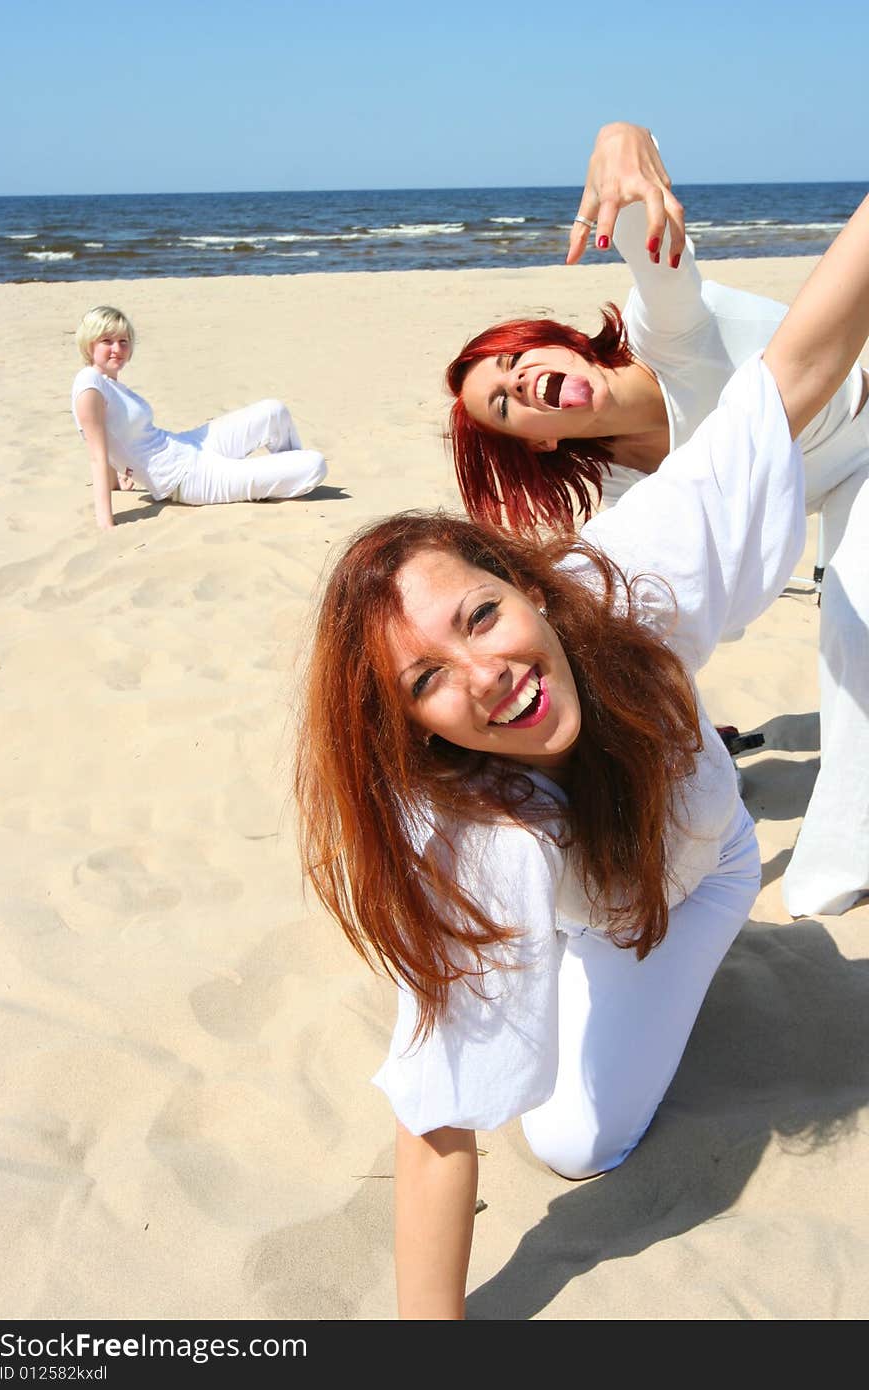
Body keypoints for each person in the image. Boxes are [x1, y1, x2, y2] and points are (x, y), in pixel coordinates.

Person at [296, 189, 869, 1319]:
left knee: (571, 1140)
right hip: (577, 899)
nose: (483, 676)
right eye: (424, 683)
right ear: (410, 729)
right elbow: (436, 1128)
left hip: (699, 876)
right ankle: (554, 950)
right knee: (546, 1111)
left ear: (528, 585)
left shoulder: (627, 584)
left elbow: (799, 367)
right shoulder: (468, 830)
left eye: (478, 618)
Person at [446, 123, 869, 921]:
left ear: (558, 347)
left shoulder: (666, 330)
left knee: (854, 624)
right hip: (817, 495)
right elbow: (652, 606)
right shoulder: (620, 485)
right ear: (533, 438)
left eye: (516, 360)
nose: (525, 383)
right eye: (503, 404)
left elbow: (653, 248)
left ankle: (846, 859)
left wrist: (619, 139)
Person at [72, 306, 327, 530]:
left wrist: (118, 479)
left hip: (188, 446)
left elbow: (110, 434)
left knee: (275, 411)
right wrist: (105, 522)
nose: (117, 349)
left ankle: (283, 476)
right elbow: (96, 452)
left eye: (123, 341)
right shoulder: (89, 383)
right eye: (107, 340)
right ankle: (285, 476)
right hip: (187, 478)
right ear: (89, 344)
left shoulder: (110, 383)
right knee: (314, 464)